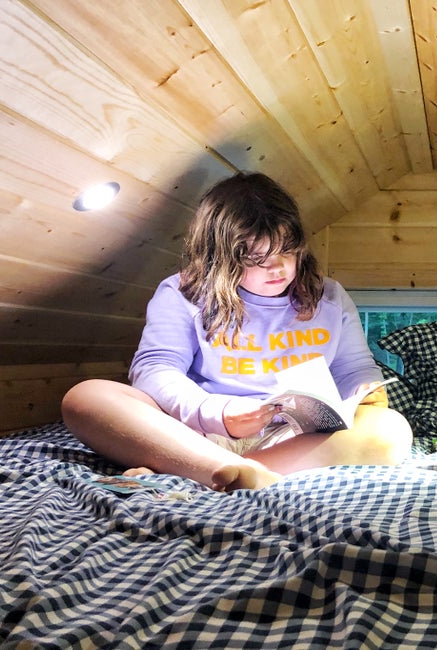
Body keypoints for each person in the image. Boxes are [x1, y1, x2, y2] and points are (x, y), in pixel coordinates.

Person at [62, 172, 412, 491]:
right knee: (86, 397)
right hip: (196, 432)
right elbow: (154, 370)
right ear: (221, 257)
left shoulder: (329, 297)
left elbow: (354, 368)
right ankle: (223, 468)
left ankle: (221, 473)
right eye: (256, 258)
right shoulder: (183, 293)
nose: (277, 269)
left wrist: (364, 389)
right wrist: (218, 413)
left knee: (392, 429)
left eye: (287, 251)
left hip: (288, 438)